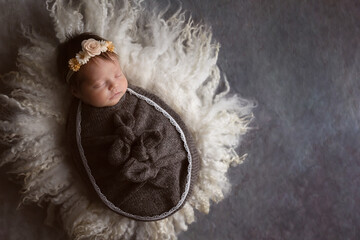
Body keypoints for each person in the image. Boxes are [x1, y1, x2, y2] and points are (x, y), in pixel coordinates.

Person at [57, 33, 199, 221]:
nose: (114, 85)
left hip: (158, 154)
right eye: (99, 84)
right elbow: (89, 154)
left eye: (117, 75)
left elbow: (156, 119)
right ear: (76, 91)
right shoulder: (82, 125)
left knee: (166, 144)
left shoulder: (133, 98)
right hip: (127, 181)